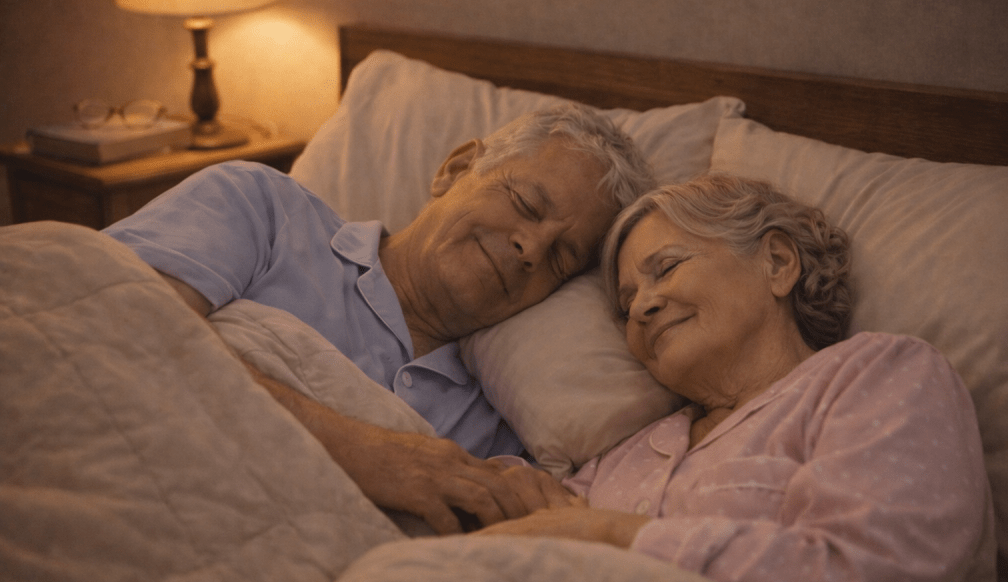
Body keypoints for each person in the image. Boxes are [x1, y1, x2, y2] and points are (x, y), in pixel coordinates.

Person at [103, 103, 655, 536]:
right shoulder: (262, 209)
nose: (530, 247)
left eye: (560, 258)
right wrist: (371, 455)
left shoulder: (500, 429)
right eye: (527, 205)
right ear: (456, 168)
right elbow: (115, 319)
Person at [477, 175, 996, 582]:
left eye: (667, 267)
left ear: (776, 262)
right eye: (626, 301)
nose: (641, 307)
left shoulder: (882, 374)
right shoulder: (624, 452)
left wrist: (611, 535)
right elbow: (529, 537)